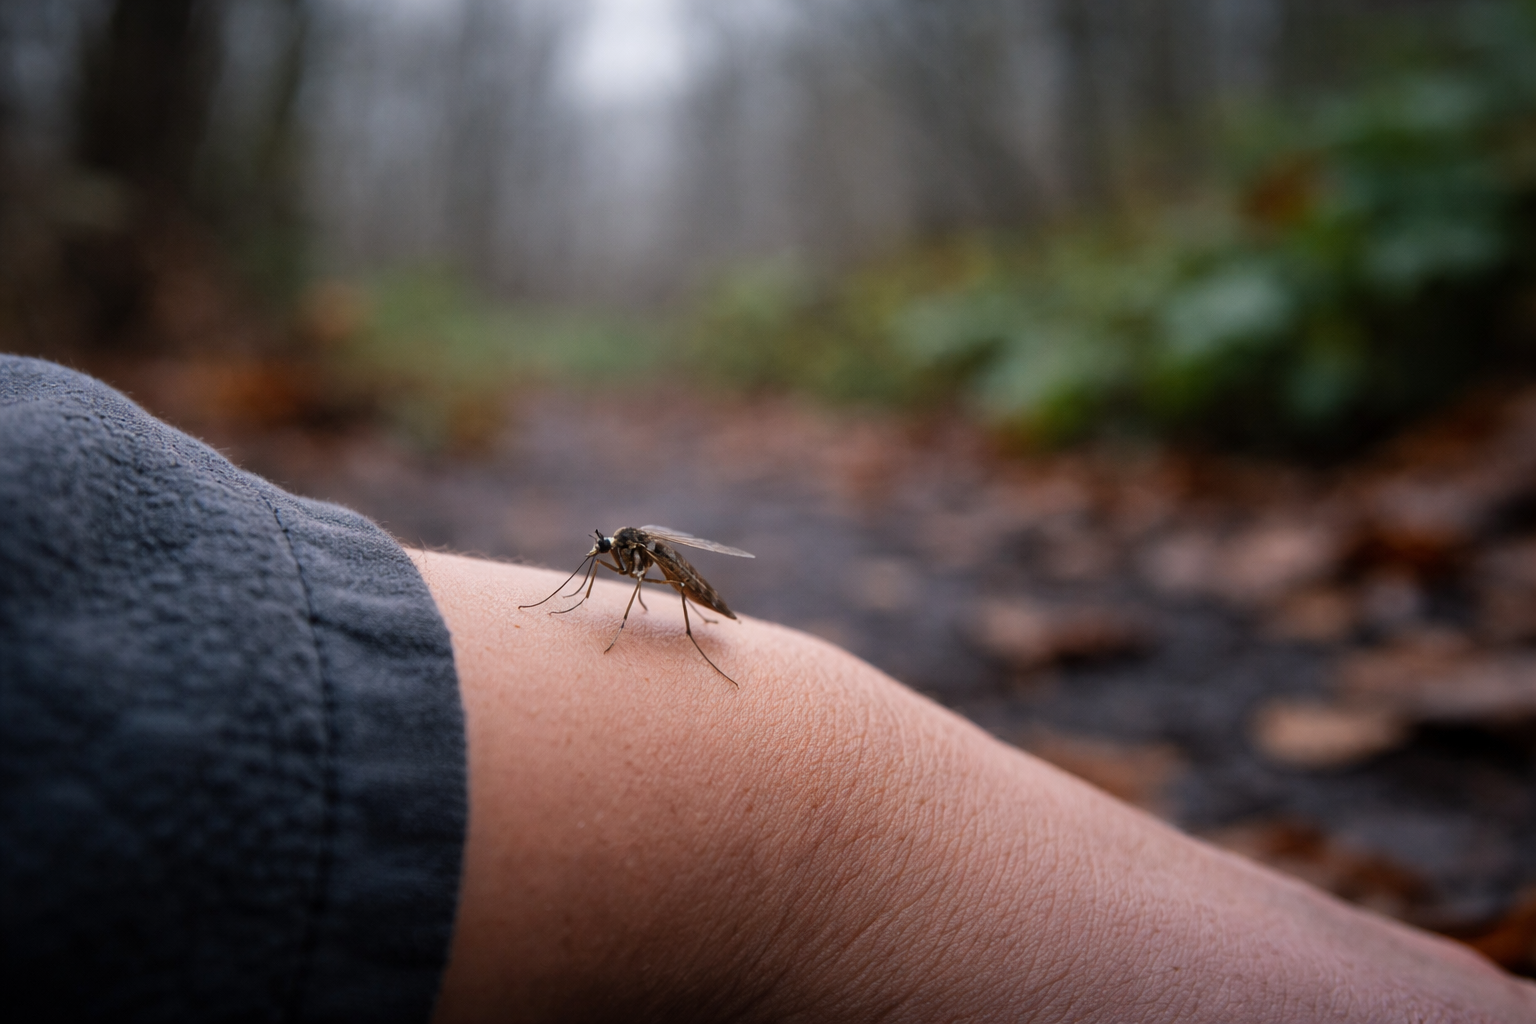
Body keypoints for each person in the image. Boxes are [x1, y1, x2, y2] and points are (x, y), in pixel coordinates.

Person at [4, 355, 1534, 1023]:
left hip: (704, 633)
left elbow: (643, 579)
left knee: (661, 609)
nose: (606, 565)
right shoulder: (615, 566)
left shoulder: (662, 570)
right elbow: (595, 583)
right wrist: (792, 810)